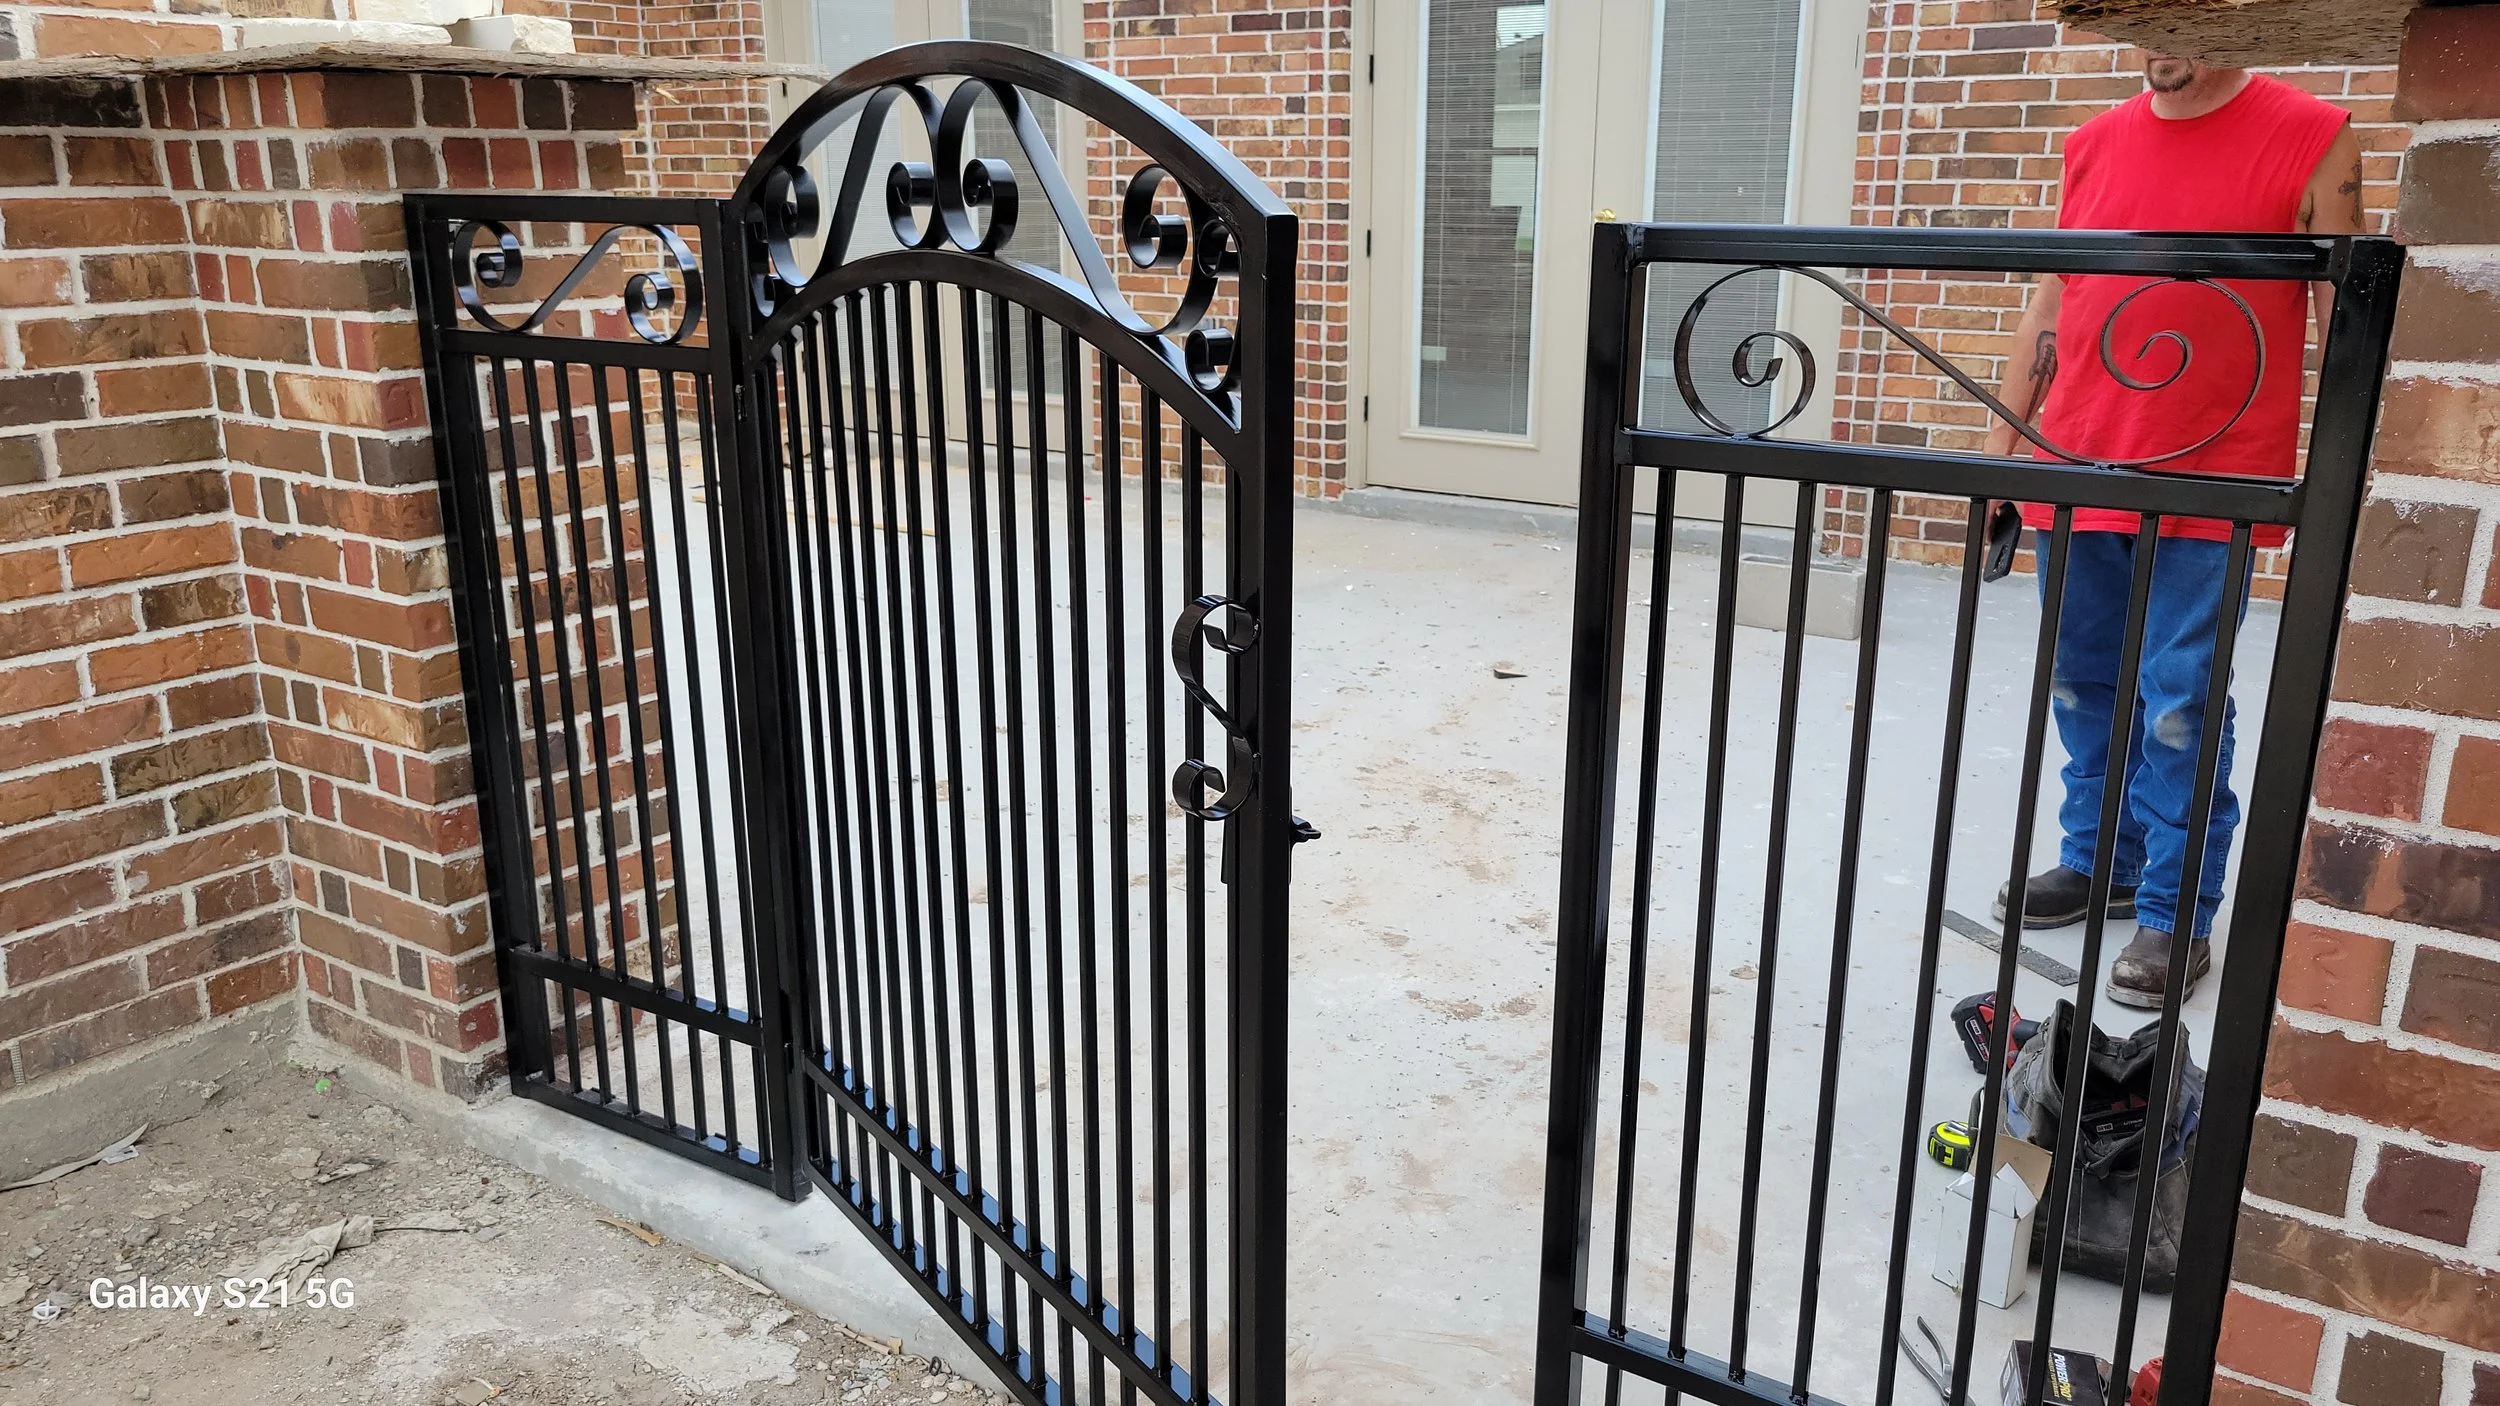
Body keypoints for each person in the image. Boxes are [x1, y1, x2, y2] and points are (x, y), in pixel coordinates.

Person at [1983, 52, 2365, 1008]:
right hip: (2075, 463)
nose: (2160, 41)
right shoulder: (2094, 143)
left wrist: (2353, 471)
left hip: (2216, 479)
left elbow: (2344, 320)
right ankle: (2098, 858)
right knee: (2083, 682)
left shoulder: (2312, 136)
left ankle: (2174, 910)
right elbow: (2052, 301)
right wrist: (2003, 452)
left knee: (2179, 699)